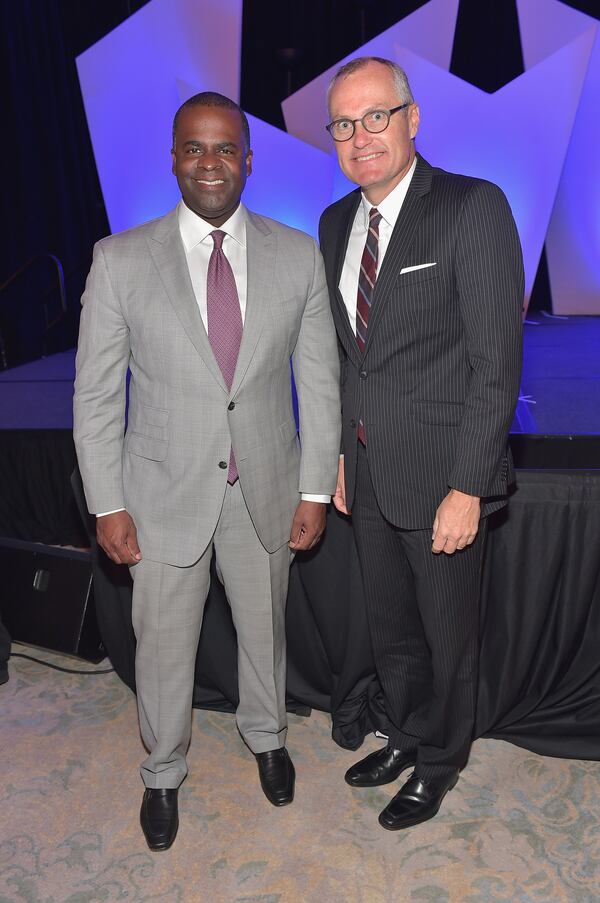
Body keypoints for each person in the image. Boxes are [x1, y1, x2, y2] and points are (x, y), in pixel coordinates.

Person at [73, 92, 340, 850]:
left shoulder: (296, 254)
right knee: (161, 641)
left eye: (226, 149)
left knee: (265, 629)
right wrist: (107, 503)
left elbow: (318, 383)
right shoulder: (119, 260)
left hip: (266, 483)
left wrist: (316, 486)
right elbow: (95, 392)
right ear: (173, 159)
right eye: (195, 148)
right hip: (159, 494)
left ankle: (268, 735)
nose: (211, 163)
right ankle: (161, 772)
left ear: (249, 160)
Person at [319, 57, 523, 830]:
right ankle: (406, 732)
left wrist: (469, 484)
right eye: (344, 123)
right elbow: (349, 359)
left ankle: (439, 762)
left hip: (443, 476)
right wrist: (340, 452)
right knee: (393, 630)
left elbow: (494, 363)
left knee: (446, 638)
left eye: (376, 116)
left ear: (411, 118)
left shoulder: (473, 207)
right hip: (368, 471)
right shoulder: (336, 222)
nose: (360, 135)